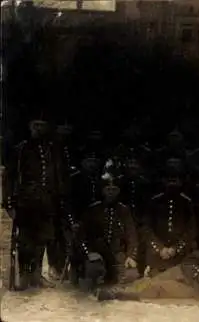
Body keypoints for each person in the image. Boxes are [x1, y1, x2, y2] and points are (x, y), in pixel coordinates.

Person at [3, 112, 65, 290]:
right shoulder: (22, 149)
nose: (39, 129)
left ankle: (37, 274)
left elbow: (57, 175)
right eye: (35, 125)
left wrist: (57, 197)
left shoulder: (52, 149)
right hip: (26, 202)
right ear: (30, 127)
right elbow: (10, 177)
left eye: (42, 125)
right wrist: (9, 202)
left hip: (46, 202)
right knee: (26, 241)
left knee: (42, 239)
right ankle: (24, 275)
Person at [73, 175, 139, 296]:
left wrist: (131, 256)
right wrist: (88, 253)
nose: (111, 193)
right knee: (94, 268)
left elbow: (132, 235)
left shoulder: (124, 210)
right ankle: (94, 289)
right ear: (103, 191)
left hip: (117, 253)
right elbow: (81, 237)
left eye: (114, 189)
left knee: (131, 274)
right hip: (97, 254)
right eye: (108, 189)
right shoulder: (93, 209)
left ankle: (116, 291)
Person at [142, 168, 197, 277]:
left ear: (180, 182)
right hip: (157, 255)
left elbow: (191, 230)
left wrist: (176, 248)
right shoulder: (155, 202)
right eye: (169, 180)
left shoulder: (186, 203)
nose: (172, 184)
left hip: (179, 255)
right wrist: (159, 248)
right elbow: (146, 228)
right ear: (164, 181)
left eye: (175, 180)